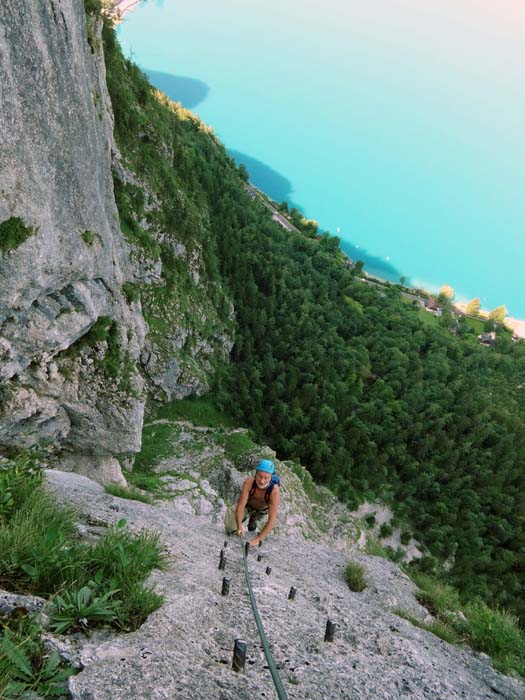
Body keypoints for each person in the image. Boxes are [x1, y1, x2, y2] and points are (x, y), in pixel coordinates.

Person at [224, 459, 280, 547]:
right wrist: (239, 527)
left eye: (266, 478)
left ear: (271, 477)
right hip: (248, 505)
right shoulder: (249, 483)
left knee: (257, 521)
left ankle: (254, 518)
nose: (262, 481)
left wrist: (258, 539)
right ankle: (251, 515)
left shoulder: (274, 491)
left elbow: (272, 519)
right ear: (255, 474)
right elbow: (241, 506)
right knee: (230, 528)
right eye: (260, 476)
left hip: (262, 509)